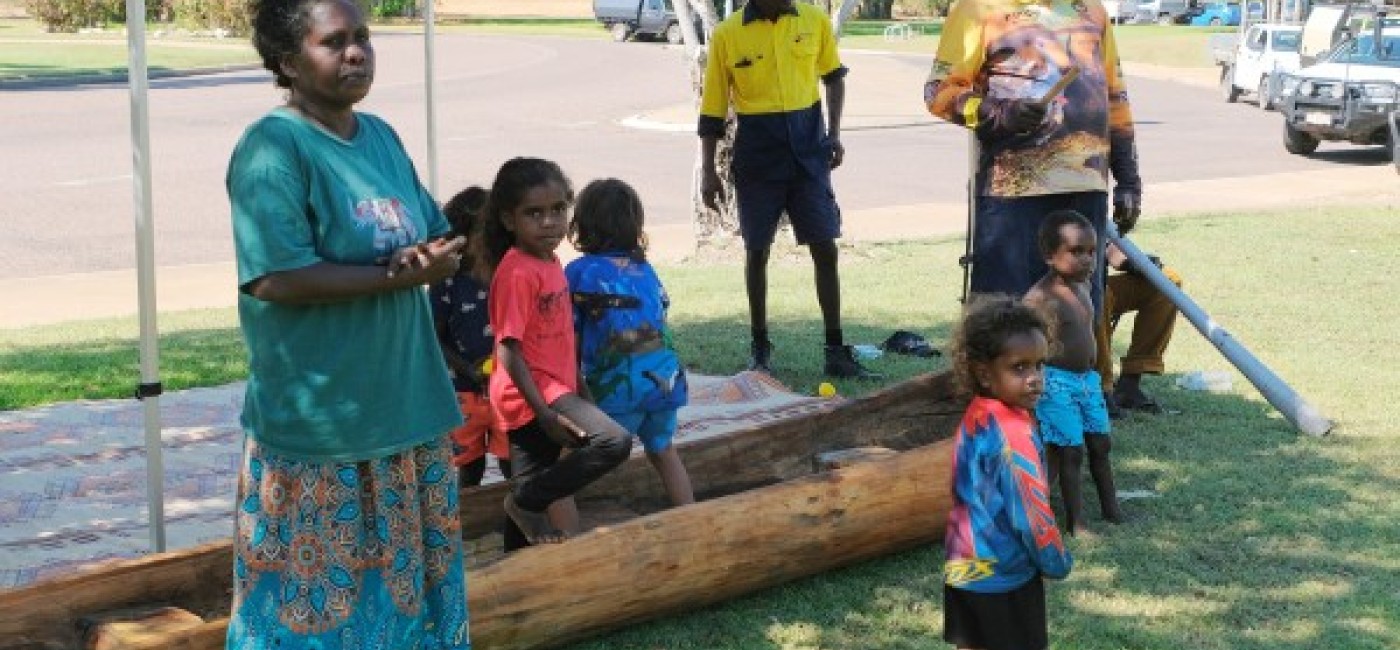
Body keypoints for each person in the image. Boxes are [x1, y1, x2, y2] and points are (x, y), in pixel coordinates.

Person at [226, 0, 469, 645]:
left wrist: (429, 254)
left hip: (407, 409)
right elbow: (275, 276)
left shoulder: (381, 137)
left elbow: (428, 229)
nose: (356, 51)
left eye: (362, 37)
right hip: (325, 424)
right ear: (287, 61)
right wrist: (399, 274)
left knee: (409, 606)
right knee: (313, 614)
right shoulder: (272, 149)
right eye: (334, 42)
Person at [923, 0, 1144, 310]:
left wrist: (1129, 180)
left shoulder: (1092, 9)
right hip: (1012, 196)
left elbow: (1115, 99)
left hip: (1086, 192)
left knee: (1080, 316)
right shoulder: (975, 8)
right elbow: (938, 93)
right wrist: (999, 113)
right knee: (1009, 320)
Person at [697, 0, 876, 379]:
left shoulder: (812, 20)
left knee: (825, 246)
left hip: (809, 155)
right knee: (756, 250)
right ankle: (760, 348)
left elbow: (834, 76)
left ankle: (835, 349)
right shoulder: (728, 34)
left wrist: (834, 135)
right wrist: (709, 171)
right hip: (758, 157)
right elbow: (712, 105)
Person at [475, 157, 635, 551]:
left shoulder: (550, 262)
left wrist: (580, 385)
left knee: (527, 501)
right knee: (614, 442)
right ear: (509, 220)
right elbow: (508, 350)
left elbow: (560, 334)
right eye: (534, 213)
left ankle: (516, 573)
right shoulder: (516, 273)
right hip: (529, 393)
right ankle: (527, 501)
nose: (549, 222)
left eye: (558, 210)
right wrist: (545, 412)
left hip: (554, 387)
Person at [944, 294, 1072, 650]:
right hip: (1004, 575)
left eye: (1039, 365)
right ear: (985, 373)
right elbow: (1031, 513)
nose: (1034, 378)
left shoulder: (978, 413)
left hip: (964, 567)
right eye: (1019, 368)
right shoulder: (1013, 432)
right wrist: (1056, 562)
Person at [565, 178, 696, 507]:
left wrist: (578, 392)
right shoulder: (644, 268)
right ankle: (692, 518)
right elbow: (660, 313)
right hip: (665, 383)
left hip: (615, 389)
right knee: (664, 451)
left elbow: (571, 338)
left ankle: (563, 538)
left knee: (562, 465)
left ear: (582, 225)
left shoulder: (578, 272)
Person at [1023, 211, 1123, 535]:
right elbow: (1024, 343)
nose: (1087, 260)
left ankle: (1112, 511)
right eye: (1076, 251)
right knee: (1070, 451)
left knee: (1101, 445)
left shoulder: (1083, 288)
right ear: (1050, 256)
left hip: (1087, 381)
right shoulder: (1040, 298)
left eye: (1092, 251)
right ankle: (1075, 522)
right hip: (1056, 383)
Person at [431, 186, 514, 486]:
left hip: (508, 389)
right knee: (468, 467)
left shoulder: (511, 274)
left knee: (512, 465)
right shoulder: (447, 280)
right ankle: (469, 525)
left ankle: (514, 522)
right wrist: (468, 369)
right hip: (464, 391)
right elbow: (434, 337)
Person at [1096, 240, 1183, 416]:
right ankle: (1101, 391)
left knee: (1166, 281)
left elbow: (1104, 242)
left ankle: (1129, 384)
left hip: (1095, 278)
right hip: (1057, 287)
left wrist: (1132, 261)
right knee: (1098, 295)